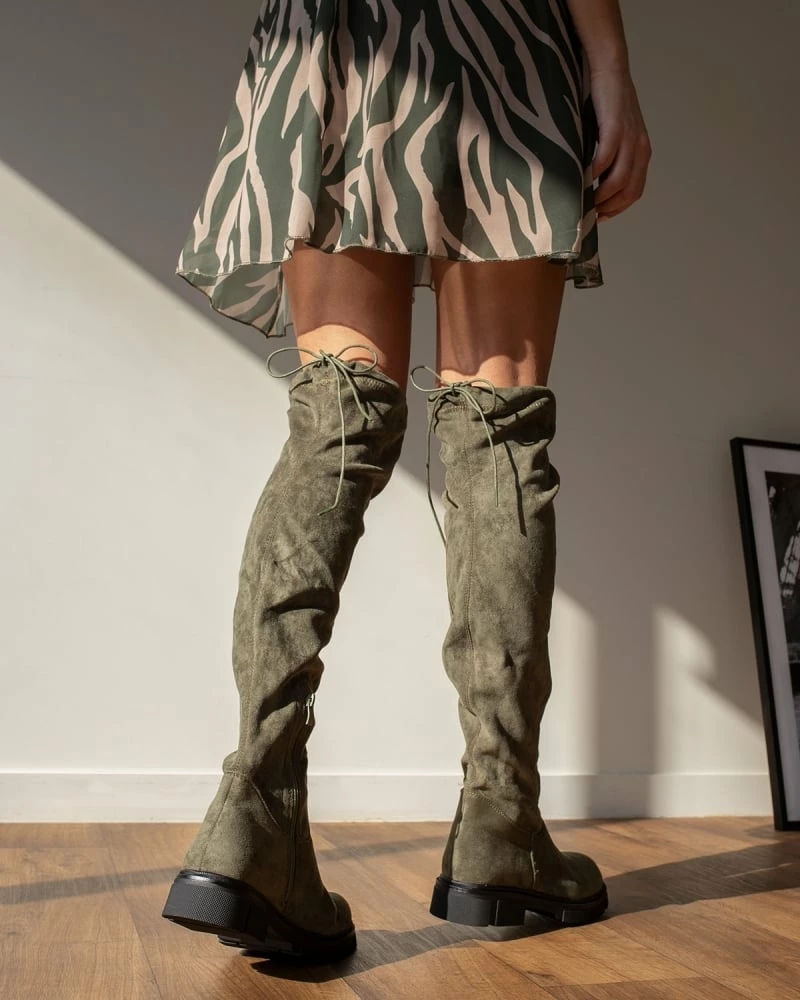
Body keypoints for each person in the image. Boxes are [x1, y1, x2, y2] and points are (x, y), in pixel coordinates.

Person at [161, 0, 651, 963]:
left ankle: (252, 812)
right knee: (498, 422)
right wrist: (611, 68)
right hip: (498, 34)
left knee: (335, 414)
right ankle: (501, 826)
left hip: (330, 35)